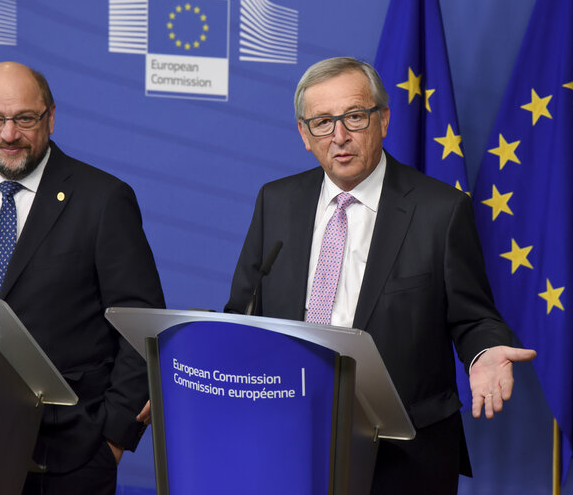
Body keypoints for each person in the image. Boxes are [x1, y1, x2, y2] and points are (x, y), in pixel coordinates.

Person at [225, 57, 536, 494]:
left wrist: (484, 352)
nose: (339, 136)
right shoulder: (276, 201)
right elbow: (244, 311)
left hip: (404, 452)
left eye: (353, 116)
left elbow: (473, 317)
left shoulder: (439, 211)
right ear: (303, 134)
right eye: (321, 123)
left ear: (383, 119)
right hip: (291, 435)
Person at [0, 61, 165, 494]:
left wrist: (114, 438)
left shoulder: (103, 199)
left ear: (50, 117)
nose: (9, 134)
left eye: (25, 118)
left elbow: (139, 320)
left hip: (69, 455)